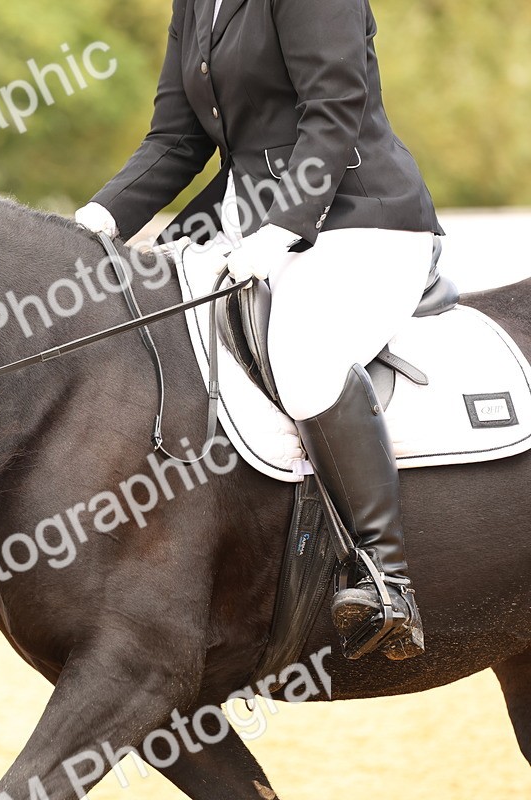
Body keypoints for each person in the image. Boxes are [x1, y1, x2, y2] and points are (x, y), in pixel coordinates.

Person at [75, 0, 443, 660]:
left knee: (303, 360)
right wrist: (96, 221)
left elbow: (334, 111)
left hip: (360, 219)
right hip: (244, 223)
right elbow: (176, 140)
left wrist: (283, 228)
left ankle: (386, 578)